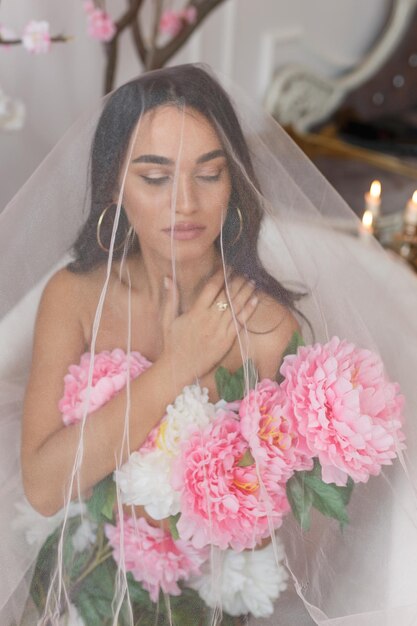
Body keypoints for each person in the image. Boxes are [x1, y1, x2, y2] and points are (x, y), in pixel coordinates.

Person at [0, 64, 417, 626]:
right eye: (155, 178)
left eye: (210, 173)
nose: (186, 204)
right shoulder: (73, 297)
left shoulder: (267, 329)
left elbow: (295, 544)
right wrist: (175, 366)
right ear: (115, 186)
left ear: (235, 185)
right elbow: (47, 488)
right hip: (84, 583)